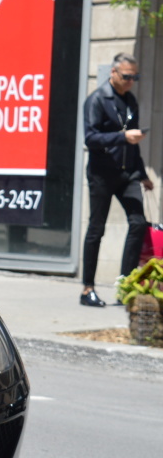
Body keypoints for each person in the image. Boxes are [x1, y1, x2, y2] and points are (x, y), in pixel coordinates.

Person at [80, 52, 153, 306]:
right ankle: (87, 288)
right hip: (102, 174)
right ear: (113, 73)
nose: (131, 81)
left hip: (127, 174)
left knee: (138, 222)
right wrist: (122, 137)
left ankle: (126, 284)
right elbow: (90, 139)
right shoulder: (97, 100)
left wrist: (142, 175)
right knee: (96, 229)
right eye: (127, 76)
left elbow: (133, 144)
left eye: (135, 77)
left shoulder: (130, 100)